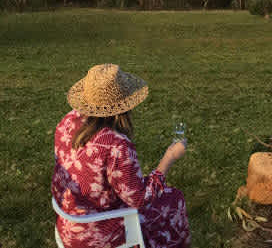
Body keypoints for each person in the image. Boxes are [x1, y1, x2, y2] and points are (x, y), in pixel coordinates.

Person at [51, 64, 191, 248]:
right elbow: (139, 199)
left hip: (67, 223)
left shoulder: (68, 120)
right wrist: (169, 157)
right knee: (173, 200)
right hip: (94, 232)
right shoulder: (115, 145)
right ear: (124, 105)